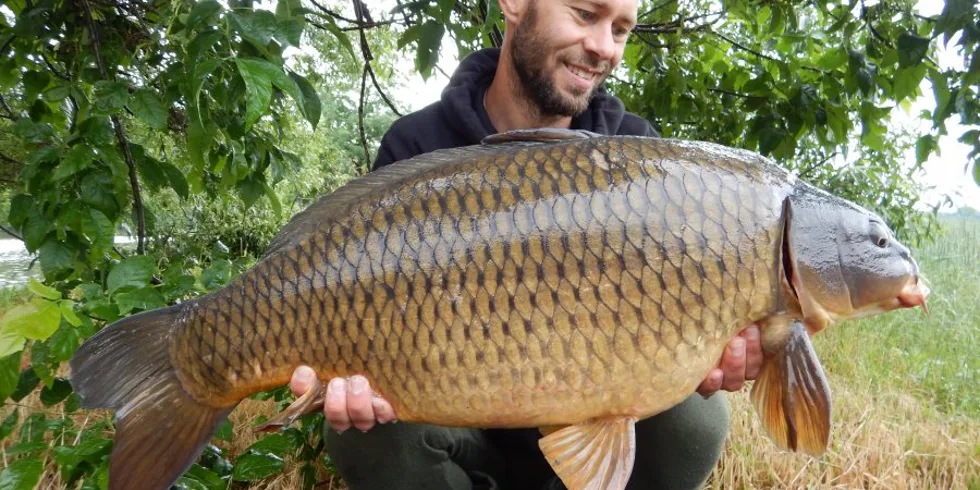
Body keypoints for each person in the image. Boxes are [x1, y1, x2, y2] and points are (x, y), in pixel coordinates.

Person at [290, 0, 763, 488]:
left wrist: (713, 347)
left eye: (621, 30)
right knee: (364, 431)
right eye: (585, 14)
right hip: (457, 437)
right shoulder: (417, 145)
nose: (604, 46)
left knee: (697, 417)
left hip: (591, 422)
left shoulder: (638, 156)